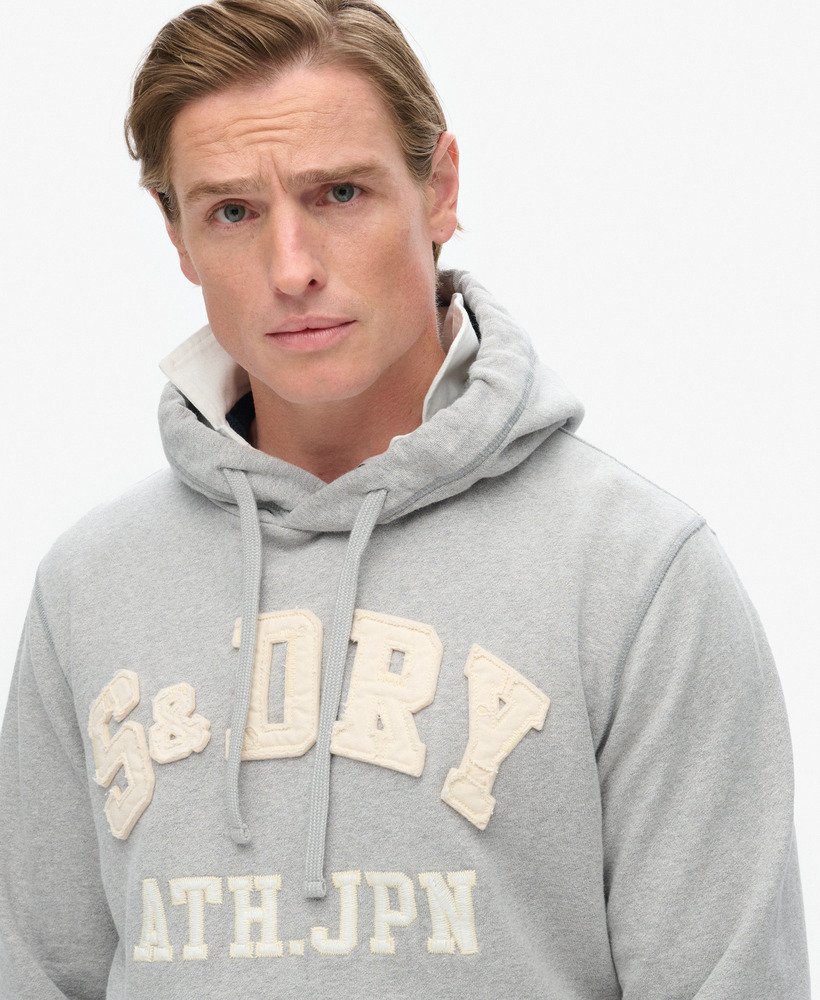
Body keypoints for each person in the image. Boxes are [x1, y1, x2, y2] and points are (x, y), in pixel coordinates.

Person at [0, 0, 810, 996]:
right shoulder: (90, 587)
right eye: (232, 212)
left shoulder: (637, 574)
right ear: (178, 237)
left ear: (440, 189)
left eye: (339, 193)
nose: (292, 268)